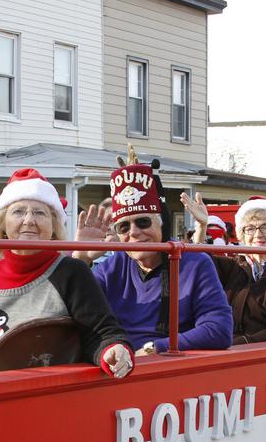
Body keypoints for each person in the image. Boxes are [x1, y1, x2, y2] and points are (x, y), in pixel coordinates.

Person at [0, 168, 133, 378]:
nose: (28, 220)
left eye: (39, 212)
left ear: (54, 227)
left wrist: (113, 349)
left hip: (34, 395)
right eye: (18, 211)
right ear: (3, 225)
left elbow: (102, 333)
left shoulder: (70, 272)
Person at [76, 152, 233, 354]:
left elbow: (219, 329)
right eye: (123, 227)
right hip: (117, 366)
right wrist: (81, 261)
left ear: (161, 224)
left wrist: (154, 348)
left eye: (143, 222)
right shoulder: (112, 267)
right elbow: (79, 319)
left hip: (170, 370)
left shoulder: (195, 263)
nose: (133, 232)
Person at [181, 193, 266, 344]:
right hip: (227, 355)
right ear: (242, 235)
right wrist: (202, 227)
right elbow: (197, 265)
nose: (258, 234)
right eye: (250, 229)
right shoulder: (234, 266)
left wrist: (227, 345)